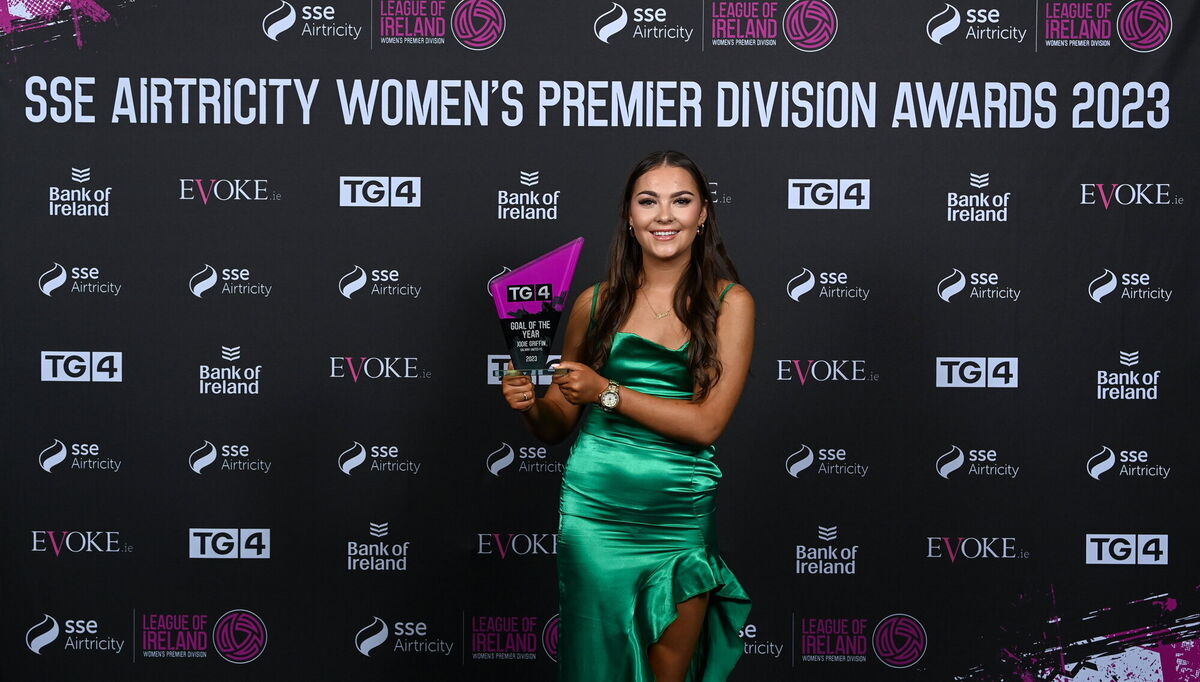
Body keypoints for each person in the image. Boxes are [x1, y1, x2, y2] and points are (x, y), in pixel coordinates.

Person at [502, 150, 754, 682]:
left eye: (680, 200)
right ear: (629, 216)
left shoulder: (729, 303)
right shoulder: (595, 304)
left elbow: (707, 424)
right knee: (598, 666)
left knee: (668, 672)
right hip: (595, 516)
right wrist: (531, 404)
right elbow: (556, 424)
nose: (664, 215)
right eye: (649, 201)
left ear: (703, 213)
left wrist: (607, 390)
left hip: (677, 517)